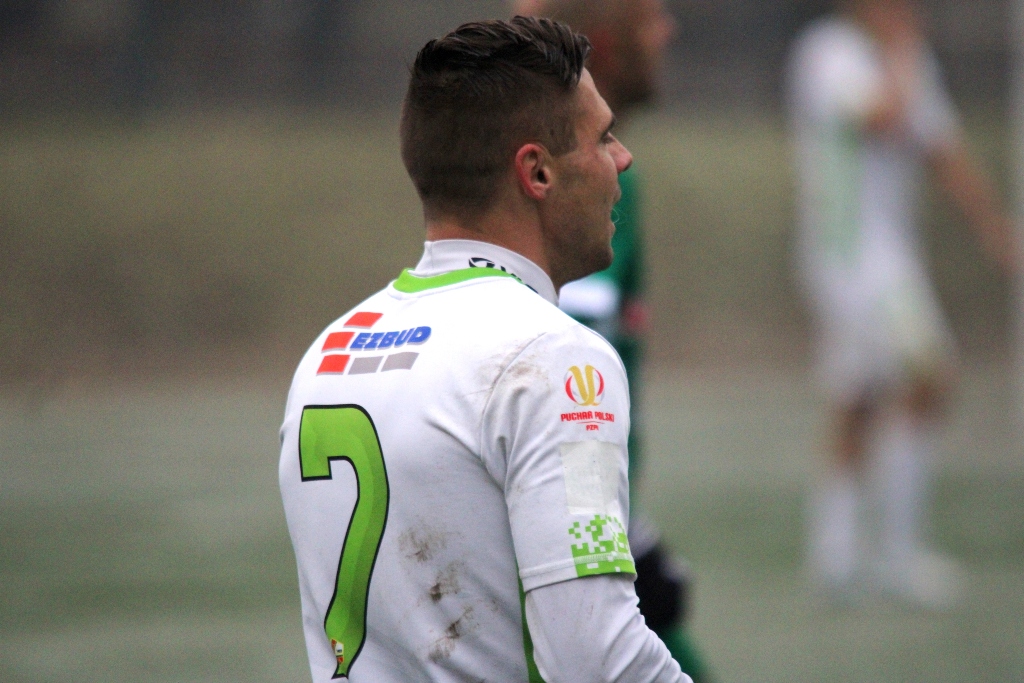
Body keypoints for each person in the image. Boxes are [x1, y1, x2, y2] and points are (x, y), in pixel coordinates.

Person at [279, 17, 690, 683]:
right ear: (537, 172)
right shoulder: (555, 359)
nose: (623, 158)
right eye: (603, 137)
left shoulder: (326, 355)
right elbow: (596, 658)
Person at [787, 0, 1014, 607]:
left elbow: (942, 150)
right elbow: (884, 118)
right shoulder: (828, 53)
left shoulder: (908, 60)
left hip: (889, 256)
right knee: (930, 374)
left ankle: (835, 556)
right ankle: (896, 554)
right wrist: (905, 47)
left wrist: (994, 228)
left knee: (858, 395)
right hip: (851, 257)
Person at [511, 1, 711, 679]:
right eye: (651, 18)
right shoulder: (589, 185)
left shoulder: (589, 169)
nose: (670, 31)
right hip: (561, 561)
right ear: (606, 43)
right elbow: (562, 358)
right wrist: (631, 541)